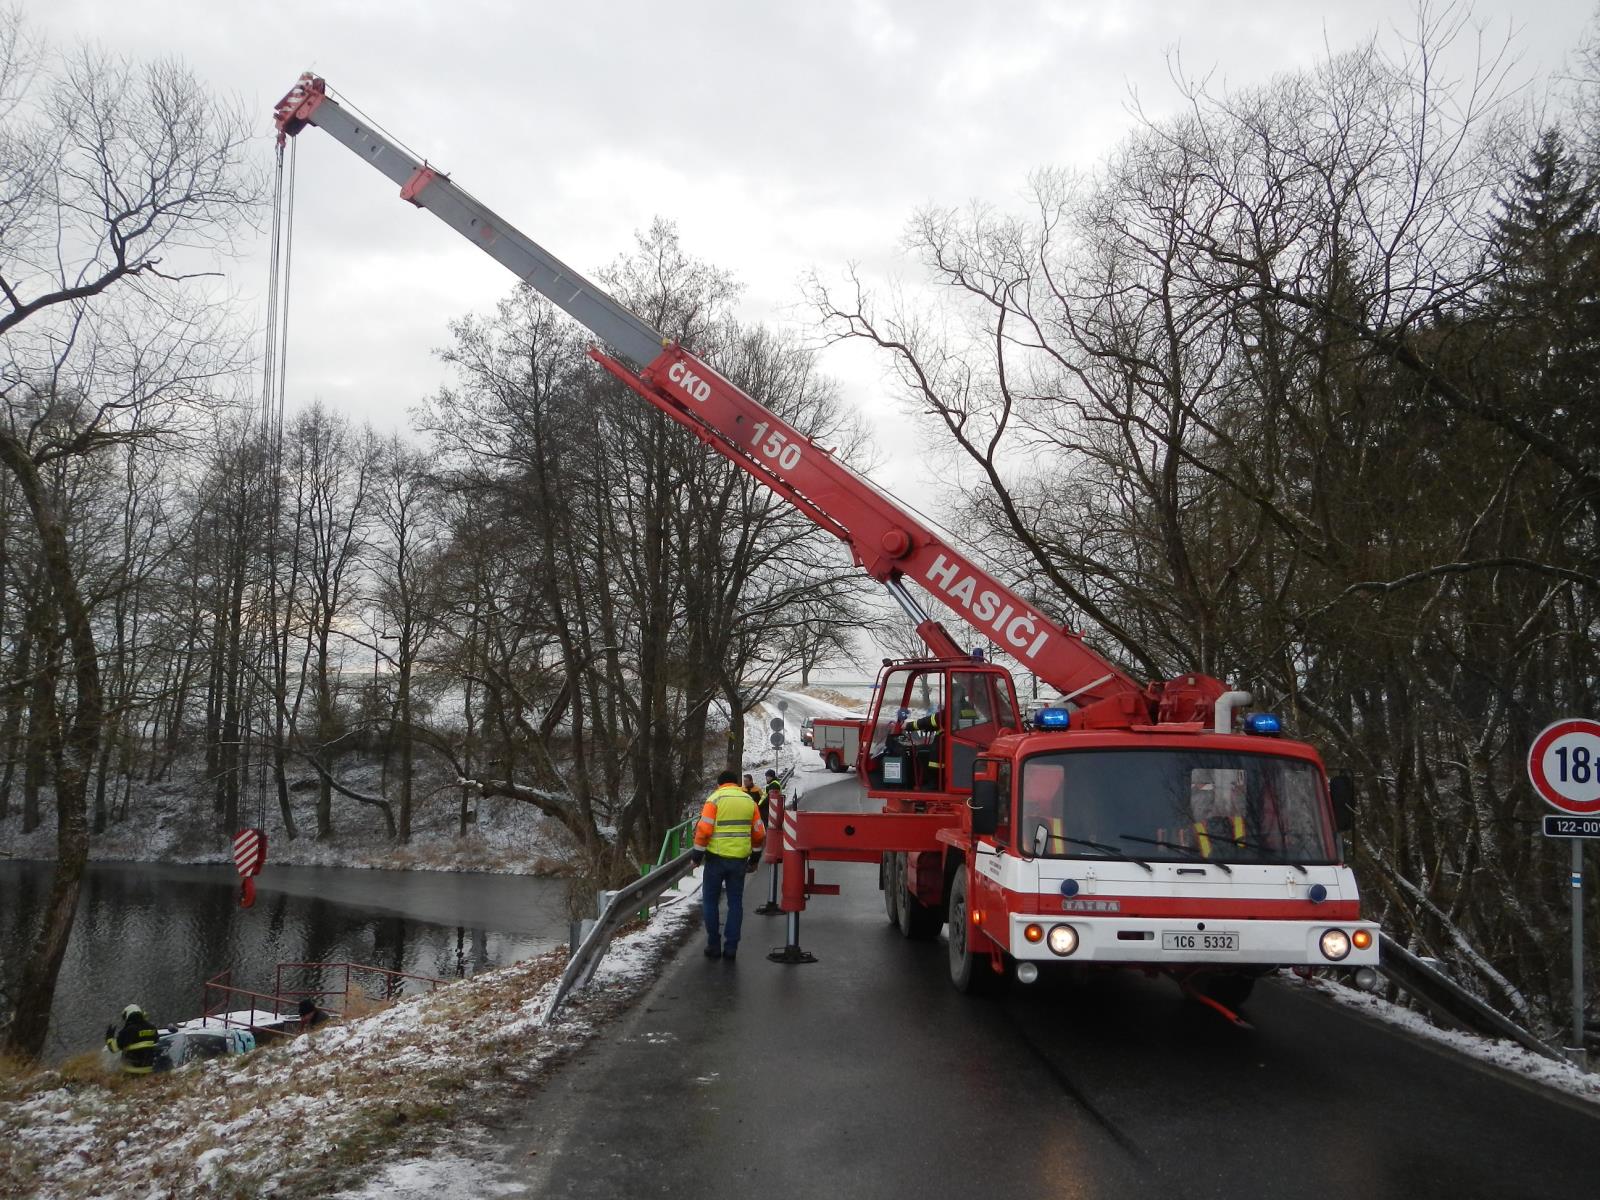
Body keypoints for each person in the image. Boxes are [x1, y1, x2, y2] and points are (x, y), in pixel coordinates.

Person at [691, 768, 766, 961]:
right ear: (736, 783)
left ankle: (714, 945)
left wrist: (697, 856)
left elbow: (704, 831)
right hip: (739, 860)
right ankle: (731, 947)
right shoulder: (749, 801)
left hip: (716, 858)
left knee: (710, 901)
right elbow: (759, 833)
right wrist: (755, 859)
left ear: (720, 784)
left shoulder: (714, 799)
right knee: (735, 904)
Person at [105, 1003, 160, 1075]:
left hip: (132, 1071)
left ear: (128, 1014)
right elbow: (156, 1040)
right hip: (149, 1070)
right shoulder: (152, 1028)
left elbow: (114, 1048)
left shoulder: (129, 1030)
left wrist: (109, 1037)